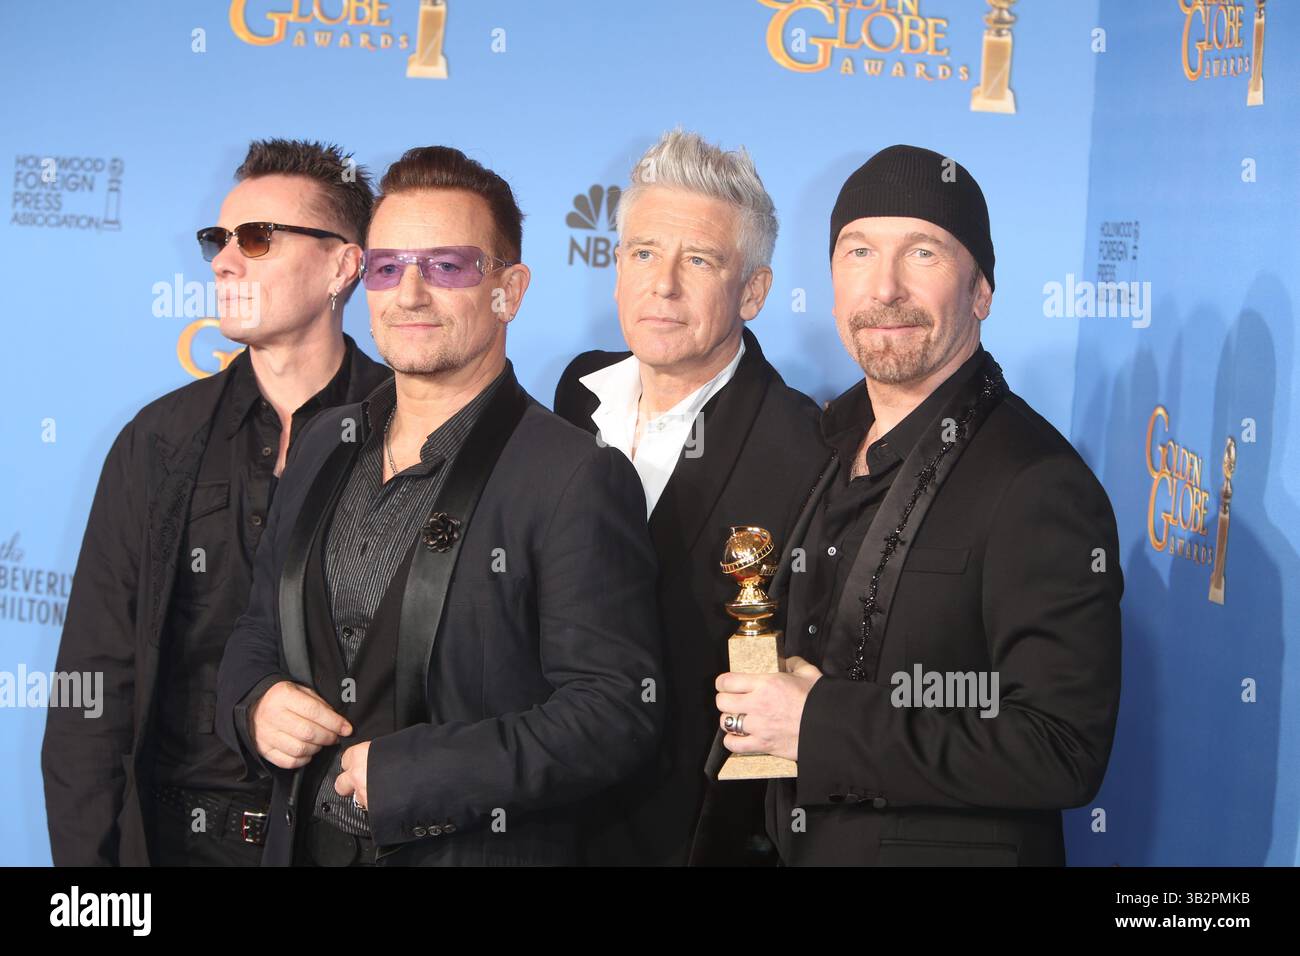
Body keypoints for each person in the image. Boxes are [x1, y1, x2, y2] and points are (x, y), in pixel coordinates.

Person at [215, 146, 663, 866]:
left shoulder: (574, 475)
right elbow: (256, 628)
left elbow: (614, 714)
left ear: (509, 290)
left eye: (447, 266)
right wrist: (255, 703)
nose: (410, 293)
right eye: (389, 267)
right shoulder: (328, 437)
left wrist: (419, 773)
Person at [713, 144, 1123, 866]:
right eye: (859, 252)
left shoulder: (1037, 482)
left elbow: (1061, 748)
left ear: (982, 291)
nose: (886, 288)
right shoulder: (827, 442)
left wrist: (819, 723)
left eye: (923, 253)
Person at [41, 138, 391, 866]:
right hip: (178, 845)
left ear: (343, 264)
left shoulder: (412, 431)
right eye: (217, 239)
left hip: (354, 840)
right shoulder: (158, 442)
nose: (224, 261)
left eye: (258, 238)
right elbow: (94, 683)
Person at [553, 129, 824, 866]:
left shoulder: (807, 446)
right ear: (615, 268)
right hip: (549, 812)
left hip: (692, 836)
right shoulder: (576, 395)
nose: (662, 284)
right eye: (643, 252)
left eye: (698, 260)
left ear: (755, 291)